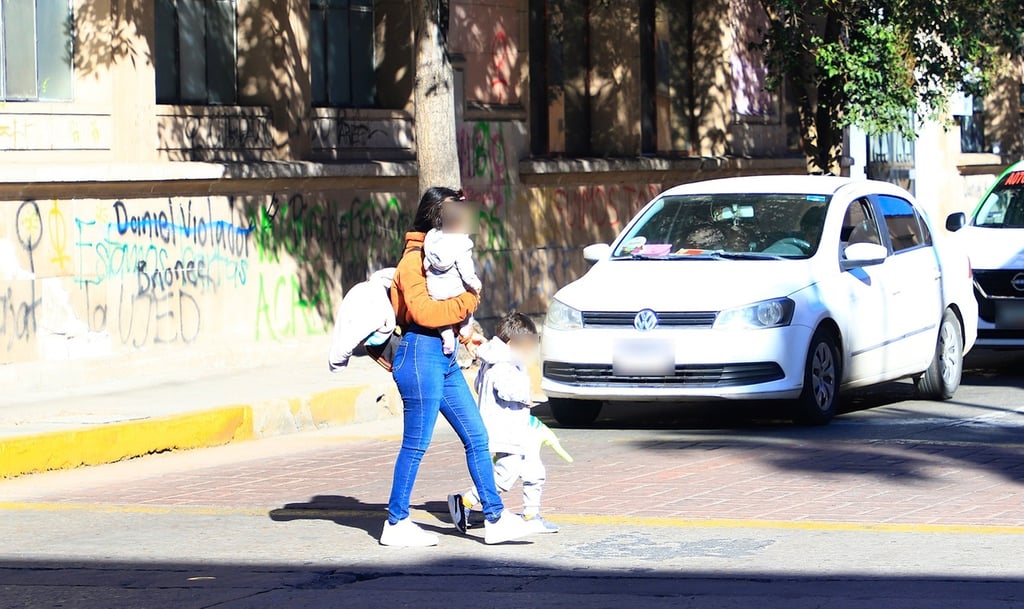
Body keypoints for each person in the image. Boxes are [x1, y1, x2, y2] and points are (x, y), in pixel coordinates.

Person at [381, 187, 536, 547]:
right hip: (420, 354)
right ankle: (395, 521)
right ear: (440, 218)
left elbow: (446, 307)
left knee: (477, 437)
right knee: (416, 444)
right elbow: (424, 312)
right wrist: (469, 299)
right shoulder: (413, 260)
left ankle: (495, 519)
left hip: (444, 357)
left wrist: (468, 335)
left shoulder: (443, 255)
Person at [447, 312, 562, 534]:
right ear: (512, 343)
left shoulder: (505, 360)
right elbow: (505, 388)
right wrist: (524, 396)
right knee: (505, 474)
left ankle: (531, 514)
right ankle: (466, 501)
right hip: (504, 431)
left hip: (518, 427)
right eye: (527, 346)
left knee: (534, 469)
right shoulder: (501, 364)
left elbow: (482, 387)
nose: (530, 352)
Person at [423, 202, 483, 356]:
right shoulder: (461, 242)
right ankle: (465, 326)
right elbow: (466, 269)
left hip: (435, 290)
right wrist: (474, 283)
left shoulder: (431, 237)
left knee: (441, 316)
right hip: (455, 289)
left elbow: (426, 263)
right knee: (470, 299)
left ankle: (447, 336)